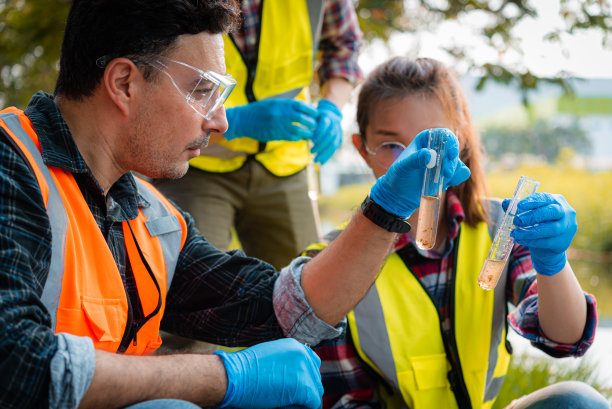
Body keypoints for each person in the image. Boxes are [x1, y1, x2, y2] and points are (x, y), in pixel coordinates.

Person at [0, 2, 471, 409]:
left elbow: (280, 310)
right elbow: (16, 366)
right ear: (124, 82)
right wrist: (225, 377)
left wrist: (386, 208)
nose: (221, 121)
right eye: (203, 90)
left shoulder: (149, 214)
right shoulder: (10, 166)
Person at [305, 57, 609, 409]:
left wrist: (553, 263)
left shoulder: (500, 226)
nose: (417, 163)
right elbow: (342, 396)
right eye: (392, 145)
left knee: (577, 401)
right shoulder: (329, 262)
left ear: (459, 141)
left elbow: (564, 339)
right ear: (362, 149)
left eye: (432, 146)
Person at [154, 0, 363, 270]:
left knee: (306, 281)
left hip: (284, 159)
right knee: (191, 279)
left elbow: (344, 45)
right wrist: (237, 120)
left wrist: (333, 106)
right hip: (196, 161)